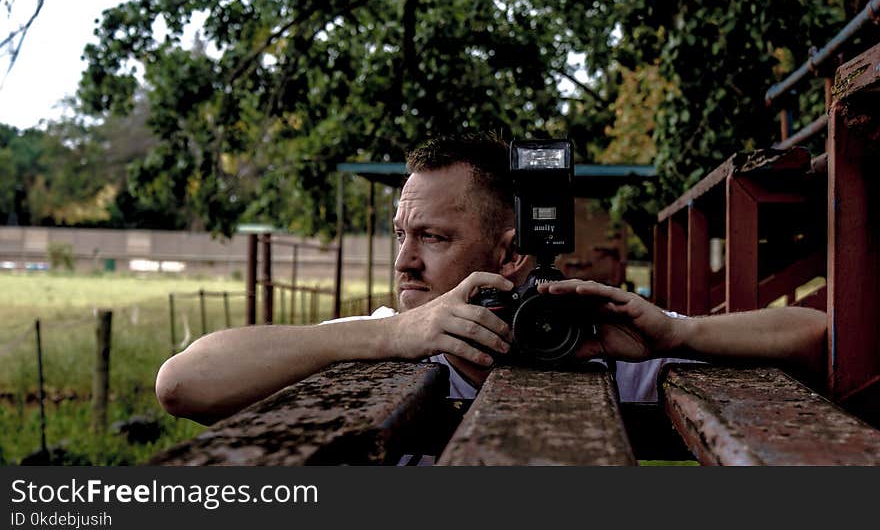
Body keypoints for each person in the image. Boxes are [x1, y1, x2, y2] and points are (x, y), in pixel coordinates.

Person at [155, 132, 827, 426]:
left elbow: (819, 338)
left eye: (434, 238)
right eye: (401, 235)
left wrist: (678, 331)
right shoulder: (383, 337)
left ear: (513, 254)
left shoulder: (586, 346)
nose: (404, 262)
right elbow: (182, 383)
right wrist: (390, 339)